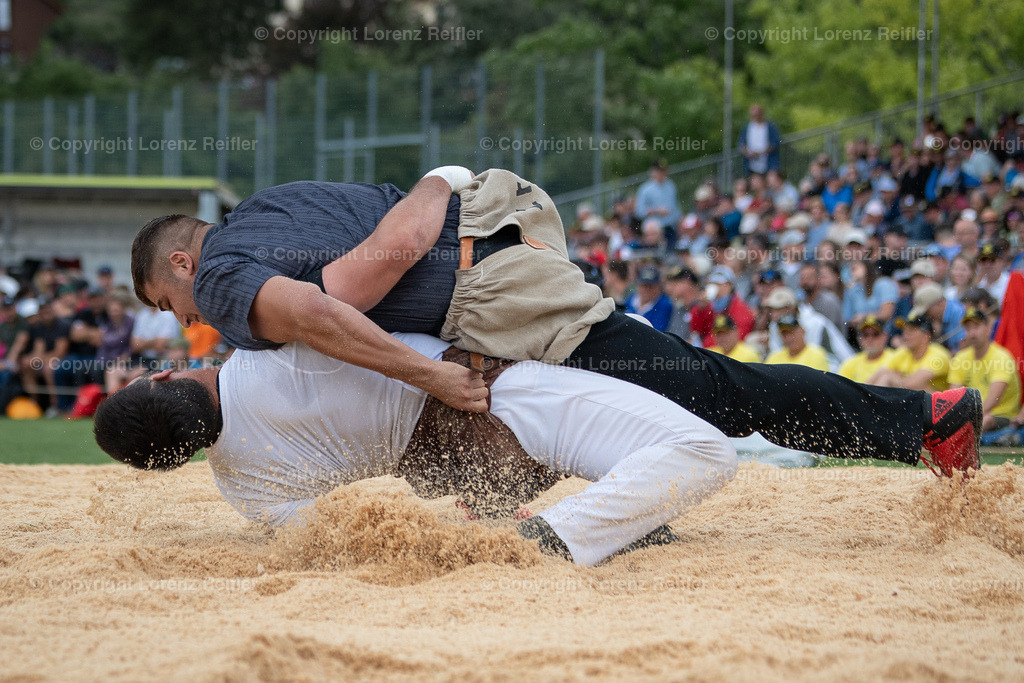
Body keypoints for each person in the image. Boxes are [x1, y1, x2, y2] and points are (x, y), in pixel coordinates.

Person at [131, 169, 981, 477]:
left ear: (181, 265)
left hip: (497, 294)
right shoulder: (274, 205)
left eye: (174, 307)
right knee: (641, 403)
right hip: (499, 239)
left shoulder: (225, 271)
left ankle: (924, 423)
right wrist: (435, 185)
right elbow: (400, 223)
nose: (191, 321)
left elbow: (334, 301)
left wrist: (428, 373)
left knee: (713, 392)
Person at [94, 332, 739, 567]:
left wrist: (447, 523)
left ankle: (601, 525)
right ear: (162, 376)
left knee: (653, 443)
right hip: (493, 401)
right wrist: (448, 178)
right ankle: (562, 534)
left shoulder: (243, 489)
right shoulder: (275, 339)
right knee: (705, 451)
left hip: (463, 476)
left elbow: (339, 534)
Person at [948, 307, 1021, 434]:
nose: (972, 333)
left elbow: (993, 401)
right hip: (974, 416)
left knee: (986, 420)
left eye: (976, 327)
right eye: (968, 328)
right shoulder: (961, 357)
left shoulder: (1001, 357)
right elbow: (953, 396)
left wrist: (963, 420)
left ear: (988, 329)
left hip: (1002, 415)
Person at [869, 315, 950, 393]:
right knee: (886, 376)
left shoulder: (938, 355)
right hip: (918, 402)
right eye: (904, 331)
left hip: (939, 405)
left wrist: (893, 377)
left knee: (888, 377)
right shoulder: (904, 352)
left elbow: (911, 385)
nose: (905, 335)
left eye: (911, 330)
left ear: (926, 335)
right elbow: (877, 376)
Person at [838, 316, 894, 384]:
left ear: (885, 336)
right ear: (859, 338)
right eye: (865, 335)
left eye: (875, 334)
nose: (870, 339)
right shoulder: (850, 363)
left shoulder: (896, 359)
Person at [635, 160, 681, 244]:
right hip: (654, 231)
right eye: (659, 171)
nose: (662, 174)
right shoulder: (645, 189)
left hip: (670, 228)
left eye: (664, 171)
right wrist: (657, 210)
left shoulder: (671, 186)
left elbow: (675, 207)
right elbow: (639, 212)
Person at [765, 315, 829, 371]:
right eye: (784, 334)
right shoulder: (774, 357)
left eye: (792, 332)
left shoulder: (816, 355)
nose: (788, 338)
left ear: (802, 331)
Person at [625, 266, 673, 332]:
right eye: (643, 286)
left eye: (650, 287)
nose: (646, 290)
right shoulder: (629, 301)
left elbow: (657, 331)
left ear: (658, 287)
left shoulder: (665, 306)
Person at [737, 104, 781, 175]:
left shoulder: (770, 127)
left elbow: (774, 143)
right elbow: (741, 144)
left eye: (757, 115)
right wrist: (747, 153)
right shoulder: (747, 128)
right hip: (751, 164)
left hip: (768, 162)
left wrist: (760, 153)